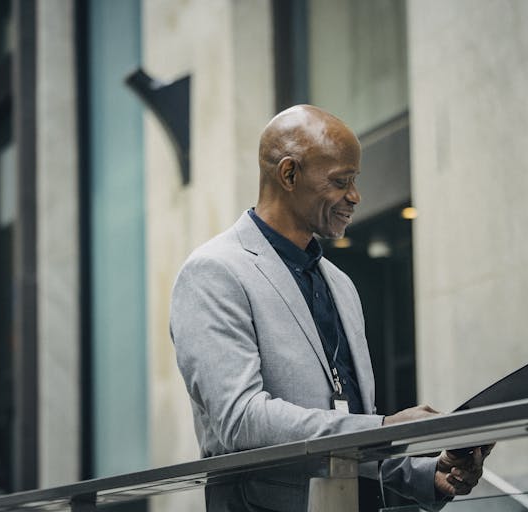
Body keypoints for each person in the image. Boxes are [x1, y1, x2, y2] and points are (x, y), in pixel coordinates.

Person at [170, 105, 492, 511]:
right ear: (289, 174)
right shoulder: (213, 272)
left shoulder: (340, 284)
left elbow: (347, 431)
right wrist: (385, 427)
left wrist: (427, 475)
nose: (355, 197)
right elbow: (241, 419)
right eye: (342, 182)